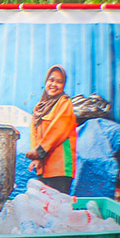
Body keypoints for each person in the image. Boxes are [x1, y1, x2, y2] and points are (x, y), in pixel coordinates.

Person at [25, 65, 78, 194]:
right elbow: (34, 133)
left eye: (59, 82)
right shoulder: (39, 107)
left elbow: (57, 131)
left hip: (60, 169)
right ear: (46, 82)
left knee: (57, 209)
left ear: (63, 85)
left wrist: (38, 152)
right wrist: (36, 158)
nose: (54, 84)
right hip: (43, 167)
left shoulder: (65, 104)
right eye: (51, 80)